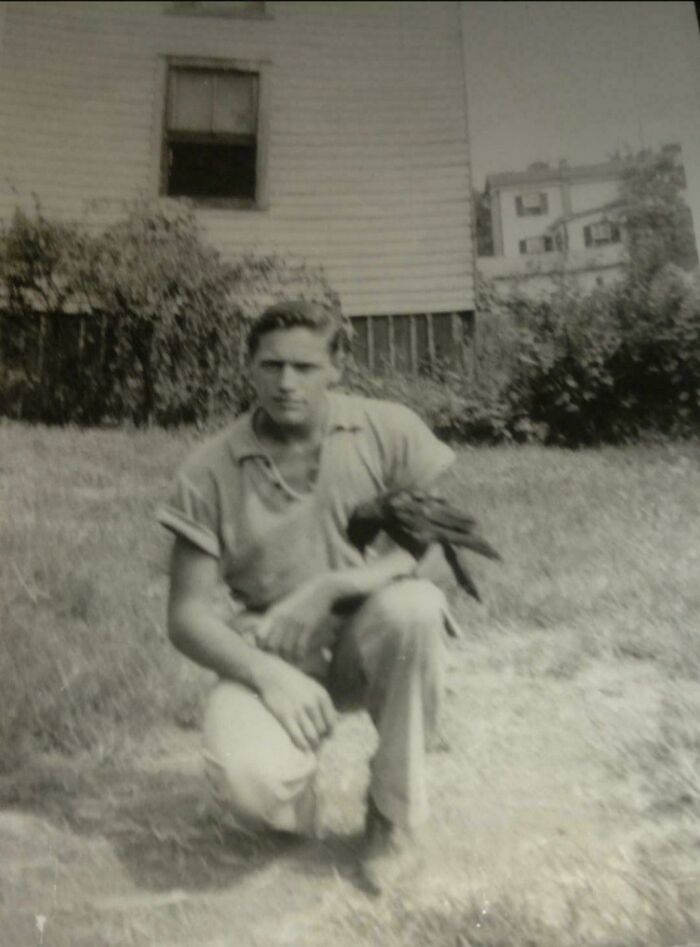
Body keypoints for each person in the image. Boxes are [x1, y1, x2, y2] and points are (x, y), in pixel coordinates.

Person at [157, 299, 458, 893]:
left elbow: (446, 559)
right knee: (253, 789)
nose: (286, 382)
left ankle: (393, 816)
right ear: (248, 369)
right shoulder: (209, 468)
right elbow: (187, 614)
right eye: (270, 366)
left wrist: (334, 585)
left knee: (416, 608)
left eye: (304, 366)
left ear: (338, 366)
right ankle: (298, 794)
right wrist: (268, 674)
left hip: (369, 640)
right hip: (277, 652)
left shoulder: (387, 429)